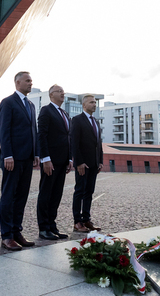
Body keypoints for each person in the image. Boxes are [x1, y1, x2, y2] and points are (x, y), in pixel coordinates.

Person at [0, 71, 40, 251]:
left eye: (31, 81)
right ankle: (6, 236)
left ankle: (17, 232)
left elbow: (33, 131)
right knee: (8, 196)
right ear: (17, 83)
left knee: (21, 197)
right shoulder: (8, 102)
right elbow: (4, 130)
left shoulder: (31, 105)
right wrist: (8, 155)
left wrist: (36, 153)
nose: (31, 83)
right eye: (27, 81)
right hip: (12, 159)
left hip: (27, 158)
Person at [36, 84, 73, 240]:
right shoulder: (46, 110)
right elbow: (42, 135)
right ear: (51, 95)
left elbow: (69, 137)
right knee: (46, 193)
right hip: (50, 161)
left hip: (63, 161)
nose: (62, 94)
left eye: (63, 91)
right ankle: (43, 228)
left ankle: (52, 226)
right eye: (59, 91)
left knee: (56, 194)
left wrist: (70, 158)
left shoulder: (65, 113)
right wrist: (45, 159)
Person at [70, 93, 103, 233]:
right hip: (83, 164)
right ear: (84, 105)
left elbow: (98, 143)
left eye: (95, 102)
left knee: (89, 192)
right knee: (80, 191)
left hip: (94, 164)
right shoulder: (77, 120)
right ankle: (77, 222)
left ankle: (86, 219)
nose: (94, 104)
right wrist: (79, 162)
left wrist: (100, 161)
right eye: (91, 102)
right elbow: (74, 143)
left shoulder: (96, 121)